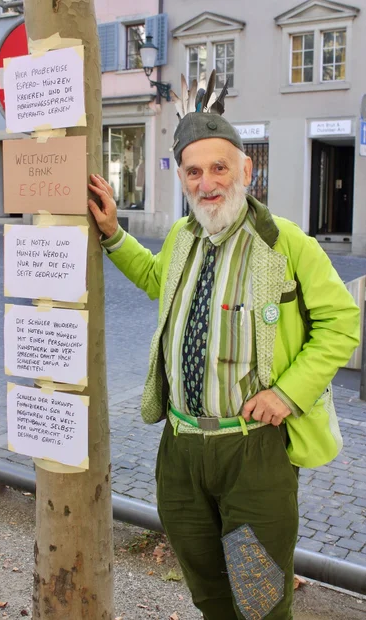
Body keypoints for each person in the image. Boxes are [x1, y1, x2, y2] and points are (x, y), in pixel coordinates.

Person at [88, 74, 360, 620]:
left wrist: (288, 392)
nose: (207, 181)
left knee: (258, 601)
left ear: (245, 170)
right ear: (183, 179)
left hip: (252, 454)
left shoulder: (286, 244)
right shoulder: (183, 238)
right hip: (181, 451)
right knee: (210, 593)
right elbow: (156, 279)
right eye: (194, 171)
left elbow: (342, 322)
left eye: (219, 167)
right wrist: (115, 235)